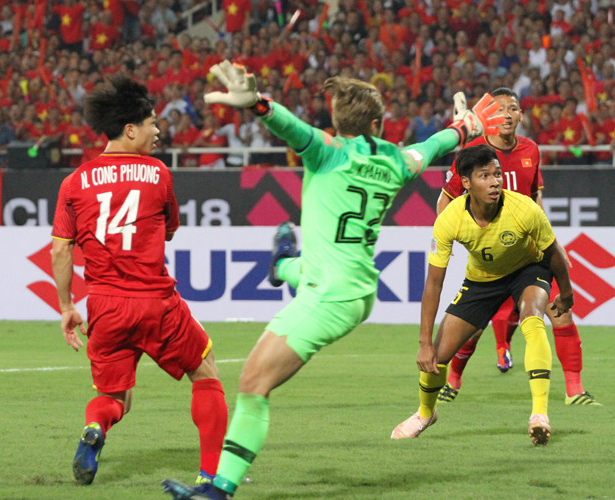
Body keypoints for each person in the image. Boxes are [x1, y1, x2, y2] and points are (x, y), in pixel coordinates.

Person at [162, 60, 504, 499]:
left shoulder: (327, 151)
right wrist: (465, 127)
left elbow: (291, 127)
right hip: (352, 286)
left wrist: (258, 104)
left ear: (337, 123)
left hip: (330, 297)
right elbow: (433, 145)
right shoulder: (397, 160)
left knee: (252, 384)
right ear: (377, 124)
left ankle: (218, 491)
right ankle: (283, 265)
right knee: (296, 289)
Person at [51, 75, 228, 486]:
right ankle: (210, 477)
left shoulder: (73, 182)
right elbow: (170, 230)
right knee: (206, 373)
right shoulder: (158, 173)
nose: (158, 131)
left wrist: (66, 306)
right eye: (152, 124)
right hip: (155, 302)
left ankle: (94, 428)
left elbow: (60, 251)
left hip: (105, 307)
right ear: (130, 130)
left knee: (115, 398)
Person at [391, 144, 574, 446]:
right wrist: (424, 343)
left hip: (528, 268)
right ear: (466, 182)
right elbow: (434, 284)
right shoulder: (450, 219)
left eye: (497, 174)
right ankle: (425, 414)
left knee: (532, 319)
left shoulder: (524, 208)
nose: (495, 182)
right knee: (437, 356)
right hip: (482, 281)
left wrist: (566, 293)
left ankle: (539, 414)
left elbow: (553, 252)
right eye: (484, 175)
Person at [436, 87, 600, 407]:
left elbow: (536, 198)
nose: (506, 115)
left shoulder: (531, 150)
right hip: (491, 256)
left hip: (530, 255)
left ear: (521, 115)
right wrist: (452, 235)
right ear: (488, 117)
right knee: (474, 328)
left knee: (559, 313)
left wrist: (551, 239)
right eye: (499, 109)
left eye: (512, 109)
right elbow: (447, 199)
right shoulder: (475, 154)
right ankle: (453, 380)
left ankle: (574, 390)